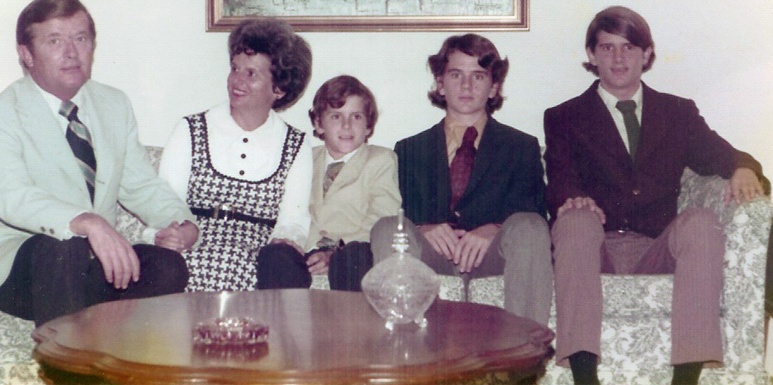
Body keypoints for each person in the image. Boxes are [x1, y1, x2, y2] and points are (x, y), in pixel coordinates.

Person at [544, 6, 768, 385]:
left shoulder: (677, 112)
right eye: (608, 47)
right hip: (594, 248)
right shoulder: (564, 116)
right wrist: (572, 199)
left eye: (629, 47)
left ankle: (686, 377)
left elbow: (721, 153)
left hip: (656, 249)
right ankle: (584, 376)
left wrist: (744, 167)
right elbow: (559, 179)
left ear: (646, 55)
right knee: (575, 221)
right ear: (591, 54)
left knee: (701, 221)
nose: (618, 58)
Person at [0, 0, 198, 326]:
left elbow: (140, 185)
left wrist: (182, 224)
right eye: (54, 41)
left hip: (88, 265)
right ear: (26, 55)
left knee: (167, 266)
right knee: (62, 250)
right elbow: (10, 196)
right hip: (17, 266)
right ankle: (69, 370)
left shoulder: (114, 105)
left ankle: (110, 352)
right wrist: (88, 222)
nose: (71, 52)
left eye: (80, 39)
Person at [371, 34, 553, 325]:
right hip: (435, 256)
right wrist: (422, 227)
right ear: (441, 84)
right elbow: (402, 209)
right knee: (386, 227)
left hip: (494, 256)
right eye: (456, 75)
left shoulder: (521, 146)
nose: (466, 86)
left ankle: (525, 349)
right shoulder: (409, 148)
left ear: (494, 87)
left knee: (530, 227)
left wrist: (495, 228)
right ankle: (403, 355)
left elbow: (533, 210)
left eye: (478, 76)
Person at [159, 18, 313, 292]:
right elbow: (165, 203)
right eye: (234, 69)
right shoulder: (191, 129)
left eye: (251, 74)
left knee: (282, 262)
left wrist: (283, 243)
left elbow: (293, 220)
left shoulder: (296, 144)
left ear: (279, 88)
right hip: (192, 247)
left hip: (261, 257)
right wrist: (172, 234)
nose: (236, 80)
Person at [304, 75, 401, 291]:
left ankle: (350, 324)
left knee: (354, 256)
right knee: (278, 255)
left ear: (368, 126)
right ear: (318, 124)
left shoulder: (380, 160)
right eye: (336, 116)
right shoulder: (304, 159)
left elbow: (381, 216)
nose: (346, 126)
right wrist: (305, 248)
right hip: (306, 248)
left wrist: (334, 250)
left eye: (356, 117)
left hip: (351, 248)